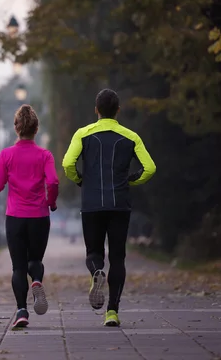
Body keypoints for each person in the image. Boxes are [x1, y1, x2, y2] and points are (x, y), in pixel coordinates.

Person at [61, 89, 156, 327]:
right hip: (119, 204)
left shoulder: (83, 134)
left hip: (92, 204)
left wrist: (81, 180)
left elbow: (67, 163)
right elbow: (150, 168)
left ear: (96, 110)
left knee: (94, 253)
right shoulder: (131, 136)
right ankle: (112, 312)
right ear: (118, 111)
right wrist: (132, 180)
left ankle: (96, 272)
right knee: (118, 257)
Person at [0, 104, 59, 328]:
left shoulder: (6, 155)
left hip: (15, 218)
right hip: (39, 217)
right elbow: (53, 181)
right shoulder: (45, 155)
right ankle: (37, 280)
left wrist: (0, 179)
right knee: (35, 261)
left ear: (16, 127)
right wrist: (51, 202)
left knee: (18, 267)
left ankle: (22, 312)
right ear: (36, 128)